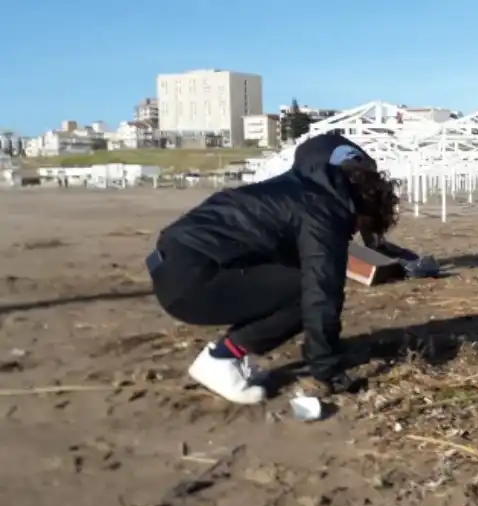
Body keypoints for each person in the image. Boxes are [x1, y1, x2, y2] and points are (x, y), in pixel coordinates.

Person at [146, 133, 400, 404]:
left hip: (171, 263)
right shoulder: (323, 210)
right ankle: (221, 359)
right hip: (191, 280)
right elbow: (320, 294)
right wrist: (326, 368)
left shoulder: (293, 188)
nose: (353, 232)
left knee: (292, 279)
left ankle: (230, 355)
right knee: (305, 291)